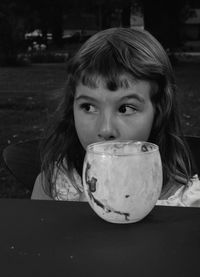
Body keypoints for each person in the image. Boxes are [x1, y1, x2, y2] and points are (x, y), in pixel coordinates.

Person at [31, 27, 200, 206]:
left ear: (159, 111)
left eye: (125, 108)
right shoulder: (51, 187)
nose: (105, 129)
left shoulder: (189, 204)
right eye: (88, 107)